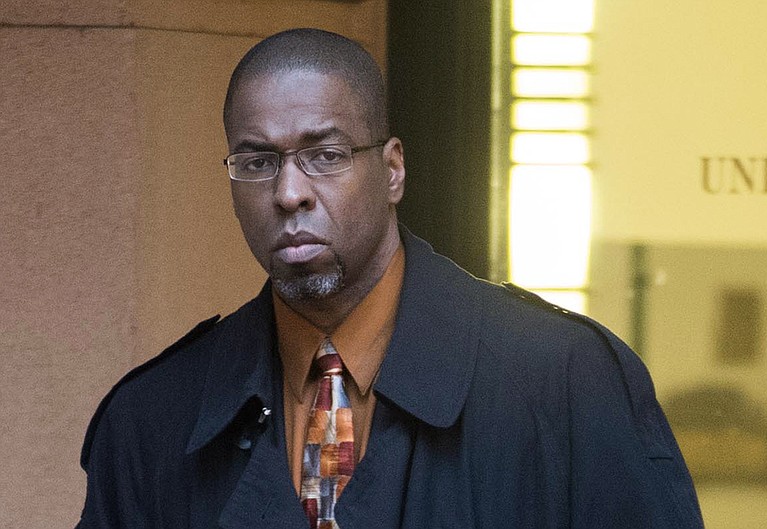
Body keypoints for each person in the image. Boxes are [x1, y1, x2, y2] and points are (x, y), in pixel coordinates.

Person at [77, 28, 704, 528]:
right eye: (257, 161)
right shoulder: (153, 421)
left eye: (325, 155)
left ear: (393, 170)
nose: (289, 192)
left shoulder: (564, 384)